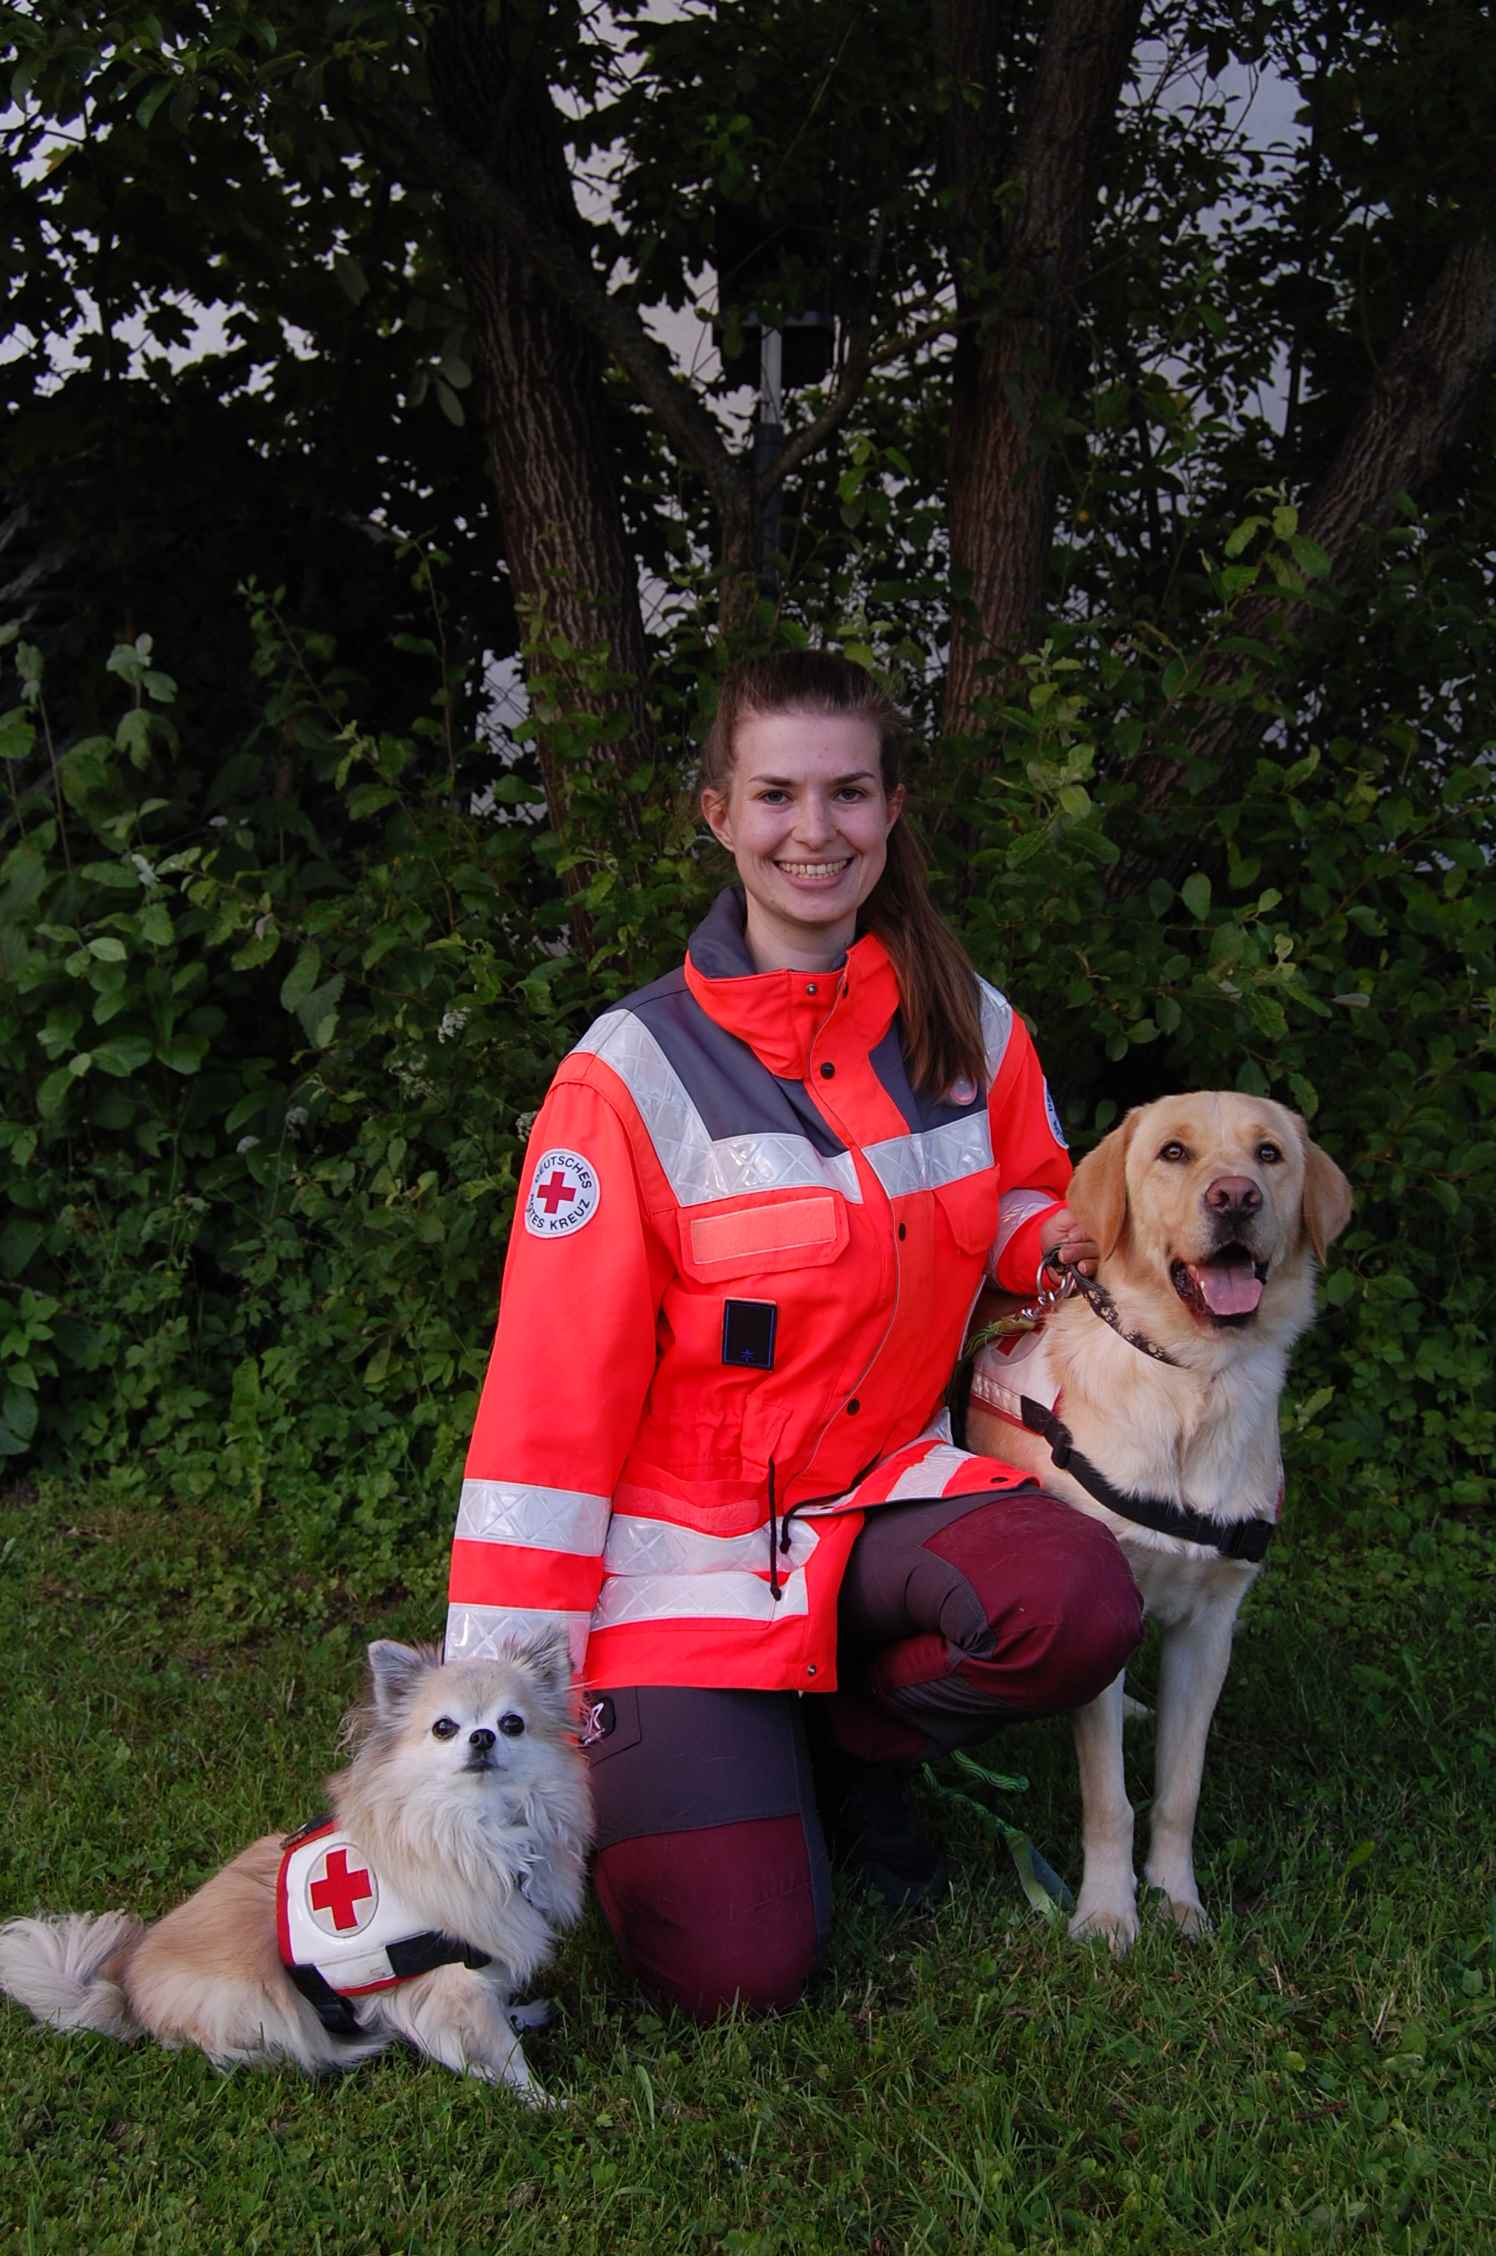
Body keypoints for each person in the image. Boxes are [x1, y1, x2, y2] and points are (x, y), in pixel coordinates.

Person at [445, 650, 1143, 2019]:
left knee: (1078, 1604)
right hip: (681, 1564)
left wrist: (1035, 1245)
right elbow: (547, 1412)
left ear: (892, 813)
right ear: (717, 814)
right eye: (775, 795)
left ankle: (841, 1739)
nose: (812, 831)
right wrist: (501, 1695)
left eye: (847, 794)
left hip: (877, 1495)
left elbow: (1024, 1197)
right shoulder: (627, 1079)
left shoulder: (968, 1024)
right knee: (734, 1971)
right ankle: (738, 1743)